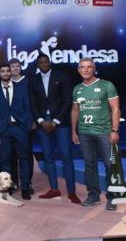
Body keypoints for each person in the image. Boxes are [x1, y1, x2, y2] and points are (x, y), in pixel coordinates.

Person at [28, 54, 79, 204]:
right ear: (37, 65)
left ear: (49, 62)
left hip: (61, 124)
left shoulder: (62, 76)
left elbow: (67, 100)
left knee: (66, 156)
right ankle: (54, 189)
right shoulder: (33, 80)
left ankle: (71, 192)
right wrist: (41, 121)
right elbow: (33, 103)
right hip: (42, 125)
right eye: (40, 62)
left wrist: (55, 121)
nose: (43, 63)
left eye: (46, 61)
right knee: (48, 157)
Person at [71, 58, 121, 210]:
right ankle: (93, 195)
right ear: (78, 70)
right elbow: (75, 110)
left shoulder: (107, 85)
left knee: (110, 165)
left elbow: (116, 109)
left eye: (89, 67)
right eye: (82, 67)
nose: (85, 70)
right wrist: (74, 131)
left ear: (94, 68)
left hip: (104, 132)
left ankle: (112, 197)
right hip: (85, 133)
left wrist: (114, 130)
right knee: (89, 164)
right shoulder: (77, 88)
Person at [0, 64, 33, 201]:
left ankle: (25, 188)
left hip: (20, 127)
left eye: (8, 71)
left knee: (24, 158)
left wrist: (27, 125)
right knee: (5, 160)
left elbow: (28, 107)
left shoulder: (21, 88)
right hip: (3, 130)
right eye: (3, 71)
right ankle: (9, 188)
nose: (6, 73)